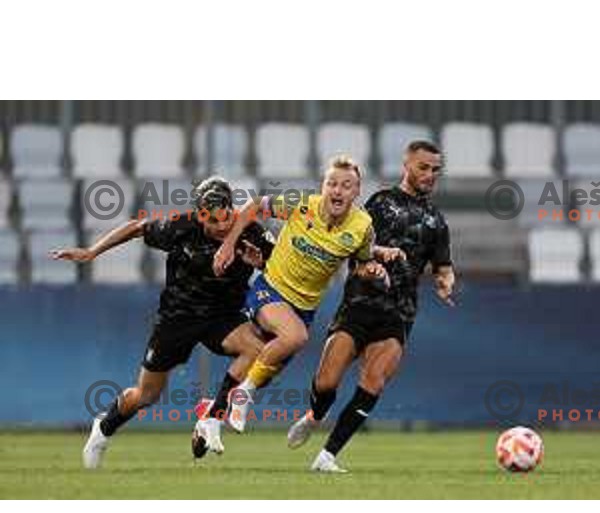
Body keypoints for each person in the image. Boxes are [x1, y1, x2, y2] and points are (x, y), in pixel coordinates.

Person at [50, 176, 274, 468]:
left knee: (258, 350)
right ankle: (104, 427)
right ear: (199, 214)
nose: (220, 227)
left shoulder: (253, 233)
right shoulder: (182, 226)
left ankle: (211, 417)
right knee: (146, 395)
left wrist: (262, 264)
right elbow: (136, 227)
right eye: (211, 221)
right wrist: (92, 251)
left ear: (232, 209)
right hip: (177, 316)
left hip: (224, 316)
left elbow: (281, 268)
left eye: (225, 218)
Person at [204, 155, 396, 453]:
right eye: (332, 183)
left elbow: (360, 262)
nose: (337, 190)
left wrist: (372, 269)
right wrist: (228, 244)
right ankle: (242, 396)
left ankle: (212, 417)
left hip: (304, 309)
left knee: (262, 366)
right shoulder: (301, 203)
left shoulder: (362, 227)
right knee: (295, 337)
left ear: (357, 192)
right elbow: (255, 205)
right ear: (323, 186)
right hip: (270, 290)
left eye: (346, 185)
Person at [287, 140, 455, 473]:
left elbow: (443, 266)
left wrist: (445, 280)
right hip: (360, 302)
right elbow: (352, 242)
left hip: (399, 311)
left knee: (374, 381)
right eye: (424, 167)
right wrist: (372, 263)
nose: (430, 174)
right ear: (407, 165)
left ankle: (328, 455)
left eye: (436, 169)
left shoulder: (437, 221)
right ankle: (314, 415)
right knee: (326, 383)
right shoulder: (380, 203)